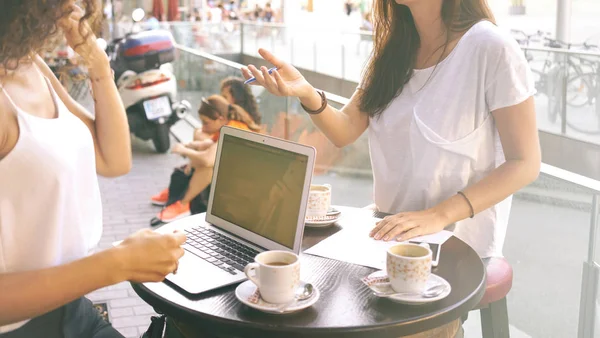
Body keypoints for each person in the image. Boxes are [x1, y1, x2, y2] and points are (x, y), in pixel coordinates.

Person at [243, 1, 540, 262]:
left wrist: (438, 216)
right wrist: (307, 93)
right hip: (387, 235)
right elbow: (344, 130)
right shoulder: (391, 52)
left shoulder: (490, 47)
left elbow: (524, 163)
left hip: (456, 247)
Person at [0, 2, 186, 338]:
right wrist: (117, 263)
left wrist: (97, 64)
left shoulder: (30, 63)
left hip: (71, 307)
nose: (77, 7)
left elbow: (114, 158)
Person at [152, 77, 261, 209]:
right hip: (234, 165)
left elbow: (208, 159)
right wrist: (190, 149)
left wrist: (185, 150)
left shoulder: (233, 126)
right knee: (201, 140)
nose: (221, 99)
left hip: (242, 175)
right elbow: (208, 143)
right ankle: (181, 193)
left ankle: (183, 203)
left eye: (224, 96)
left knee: (207, 164)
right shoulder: (229, 121)